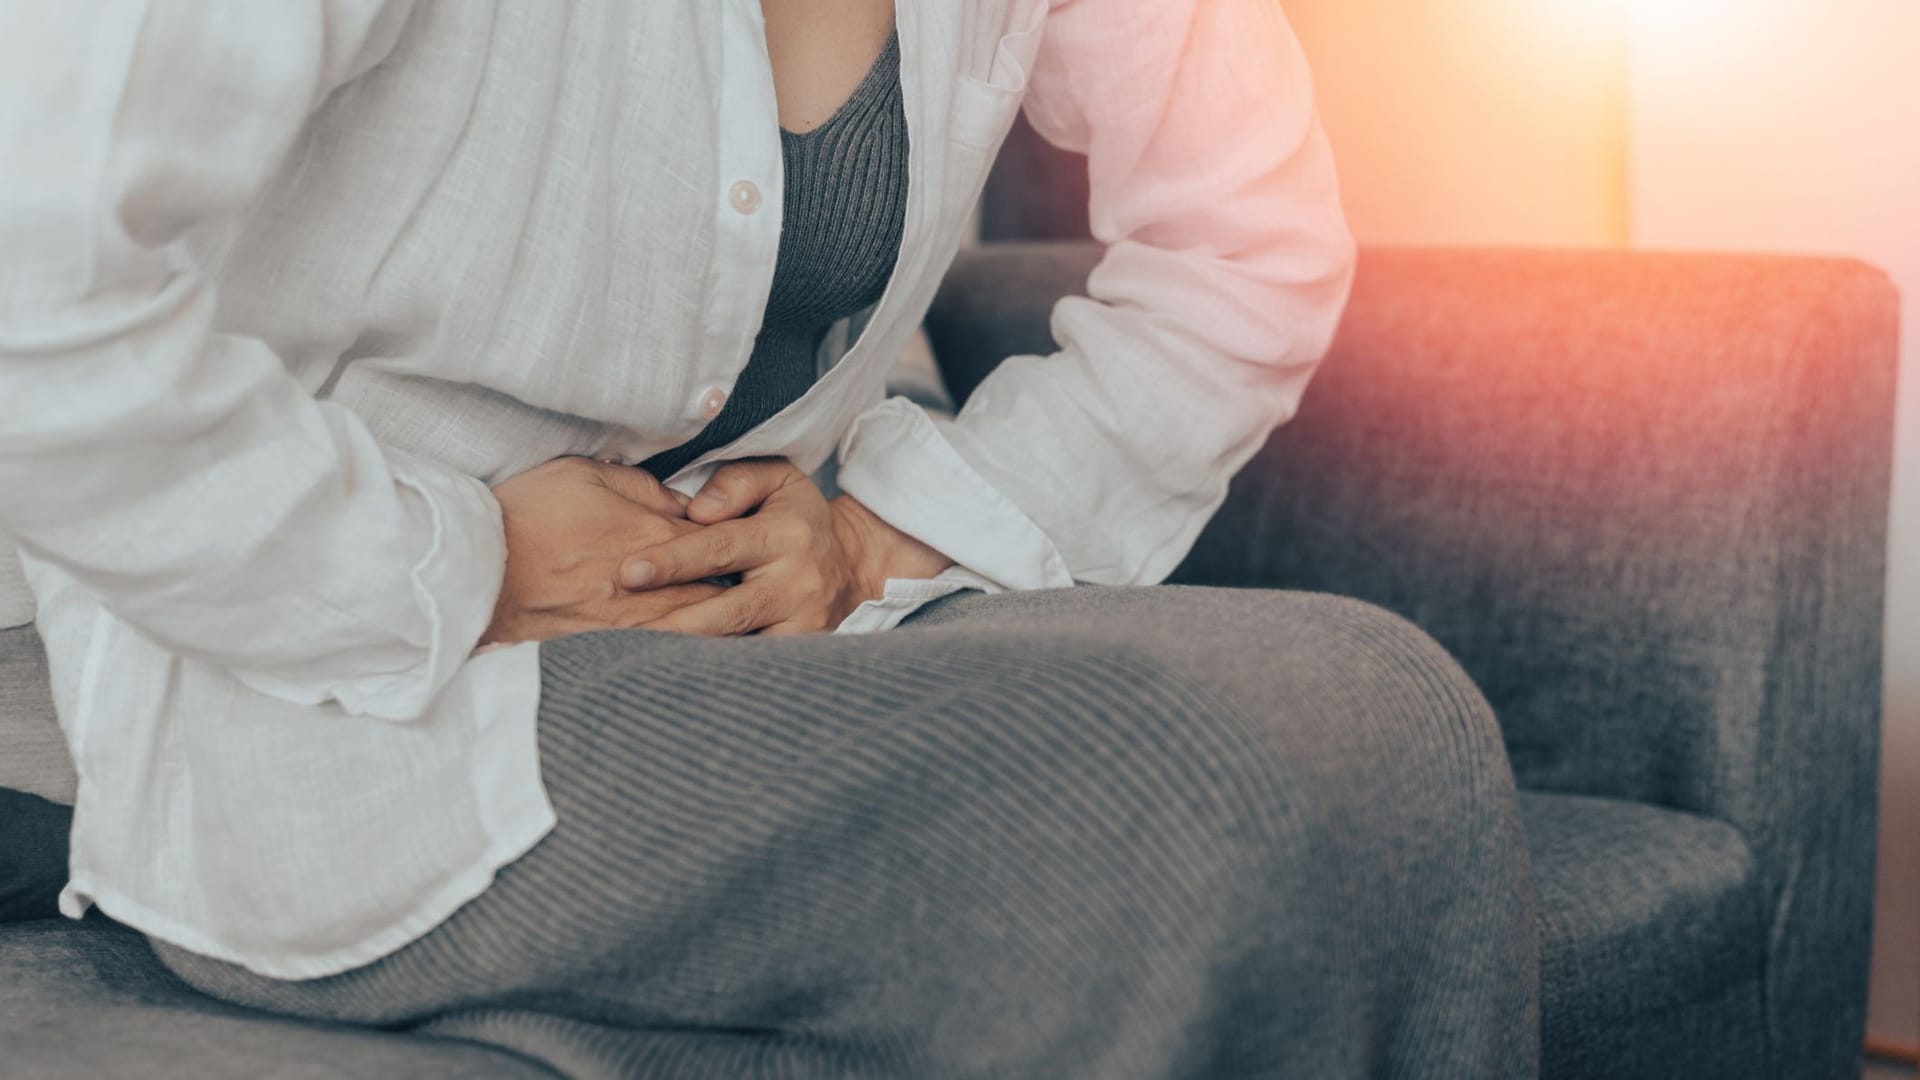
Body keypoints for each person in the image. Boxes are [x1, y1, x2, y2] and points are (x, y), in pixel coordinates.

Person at [0, 1, 1536, 1076]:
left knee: (1385, 705)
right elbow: (34, 299)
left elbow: (1249, 249)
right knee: (1162, 788)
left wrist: (886, 536)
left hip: (755, 632)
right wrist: (449, 555)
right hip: (353, 684)